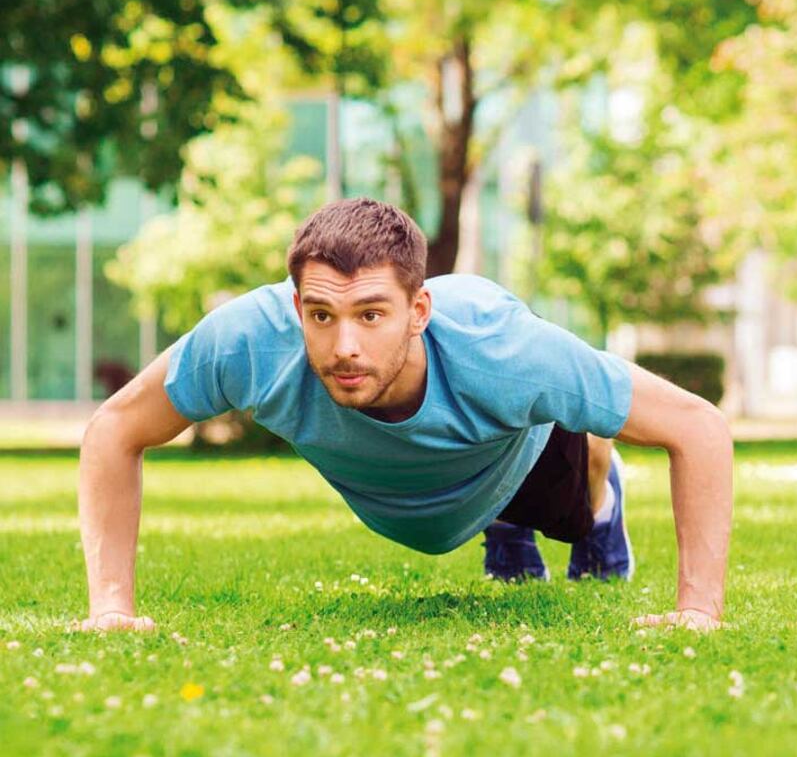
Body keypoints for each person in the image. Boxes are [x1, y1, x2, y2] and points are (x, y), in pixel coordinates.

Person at [75, 198, 731, 633]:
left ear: (417, 312)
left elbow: (696, 426)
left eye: (371, 315)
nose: (344, 347)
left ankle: (597, 502)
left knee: (584, 455)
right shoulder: (250, 341)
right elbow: (114, 429)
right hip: (415, 491)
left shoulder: (504, 349)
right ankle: (504, 523)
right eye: (321, 316)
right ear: (296, 305)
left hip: (520, 456)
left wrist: (698, 611)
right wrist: (111, 609)